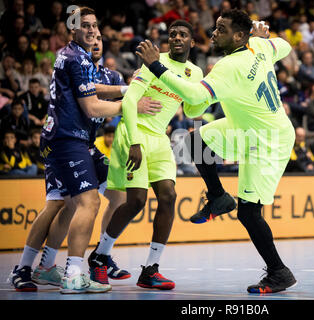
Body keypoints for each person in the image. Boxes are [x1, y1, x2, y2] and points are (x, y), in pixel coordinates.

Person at [136, 9, 297, 293]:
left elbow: (196, 97)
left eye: (221, 29)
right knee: (193, 142)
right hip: (244, 129)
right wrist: (262, 37)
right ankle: (218, 197)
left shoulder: (228, 66)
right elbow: (285, 45)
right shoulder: (258, 45)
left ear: (238, 36)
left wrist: (155, 67)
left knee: (249, 213)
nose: (213, 33)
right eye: (215, 27)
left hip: (268, 141)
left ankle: (279, 273)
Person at [7, 29, 159, 292]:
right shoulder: (76, 64)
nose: (96, 41)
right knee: (60, 204)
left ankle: (101, 253)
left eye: (100, 38)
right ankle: (29, 267)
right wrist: (130, 100)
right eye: (92, 36)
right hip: (64, 141)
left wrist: (131, 88)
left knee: (117, 195)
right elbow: (98, 101)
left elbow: (113, 91)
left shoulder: (109, 75)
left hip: (85, 145)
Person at [88, 20, 203, 290]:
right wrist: (135, 143)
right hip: (134, 132)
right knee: (137, 200)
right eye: (172, 34)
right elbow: (129, 101)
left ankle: (150, 269)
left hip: (160, 137)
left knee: (169, 196)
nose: (177, 38)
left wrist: (208, 94)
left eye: (183, 34)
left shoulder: (194, 72)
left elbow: (192, 109)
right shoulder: (153, 61)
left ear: (192, 42)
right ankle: (100, 256)